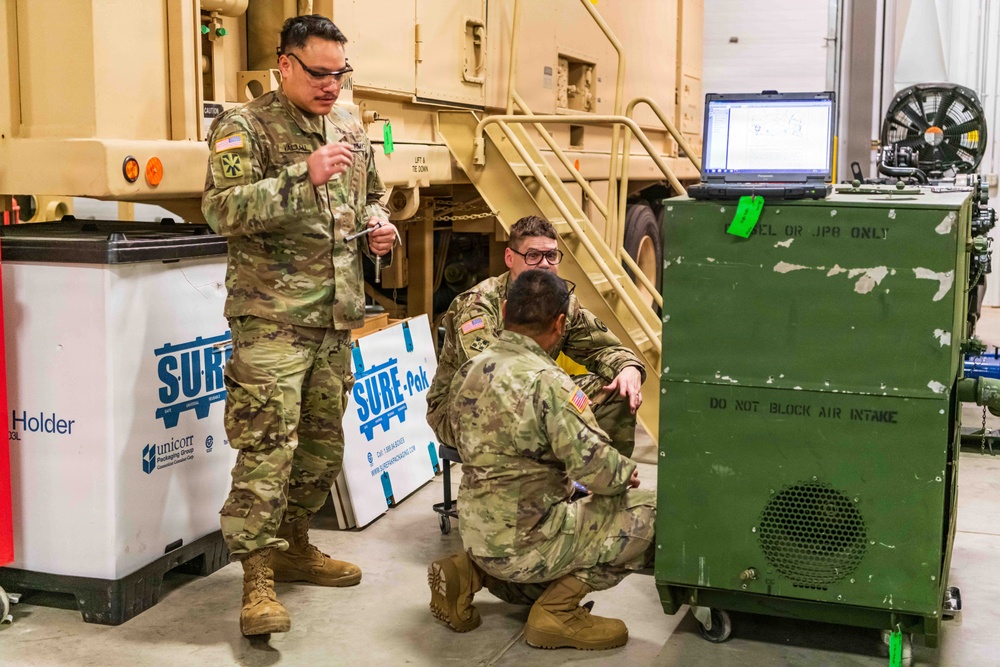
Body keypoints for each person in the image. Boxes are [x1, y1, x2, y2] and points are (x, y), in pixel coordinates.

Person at [202, 15, 398, 638]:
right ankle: (256, 581)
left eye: (341, 73)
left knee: (319, 447)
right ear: (284, 64)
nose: (332, 85)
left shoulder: (347, 123)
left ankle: (293, 546)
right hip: (272, 320)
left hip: (336, 316)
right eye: (319, 73)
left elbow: (373, 193)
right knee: (266, 446)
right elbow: (220, 210)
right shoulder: (244, 127)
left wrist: (379, 226)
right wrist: (300, 176)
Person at [428, 270, 656, 651]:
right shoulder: (548, 384)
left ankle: (468, 571)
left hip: (477, 534)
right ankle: (557, 613)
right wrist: (625, 474)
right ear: (560, 323)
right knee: (648, 512)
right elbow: (599, 472)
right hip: (525, 543)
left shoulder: (470, 370)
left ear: (504, 310)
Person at [426, 215, 644, 459]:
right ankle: (538, 488)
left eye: (551, 256)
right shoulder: (479, 304)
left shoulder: (561, 302)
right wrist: (560, 391)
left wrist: (628, 369)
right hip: (465, 408)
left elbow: (604, 348)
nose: (544, 264)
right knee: (543, 408)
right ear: (510, 258)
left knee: (616, 389)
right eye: (533, 256)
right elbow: (490, 377)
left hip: (531, 397)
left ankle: (602, 484)